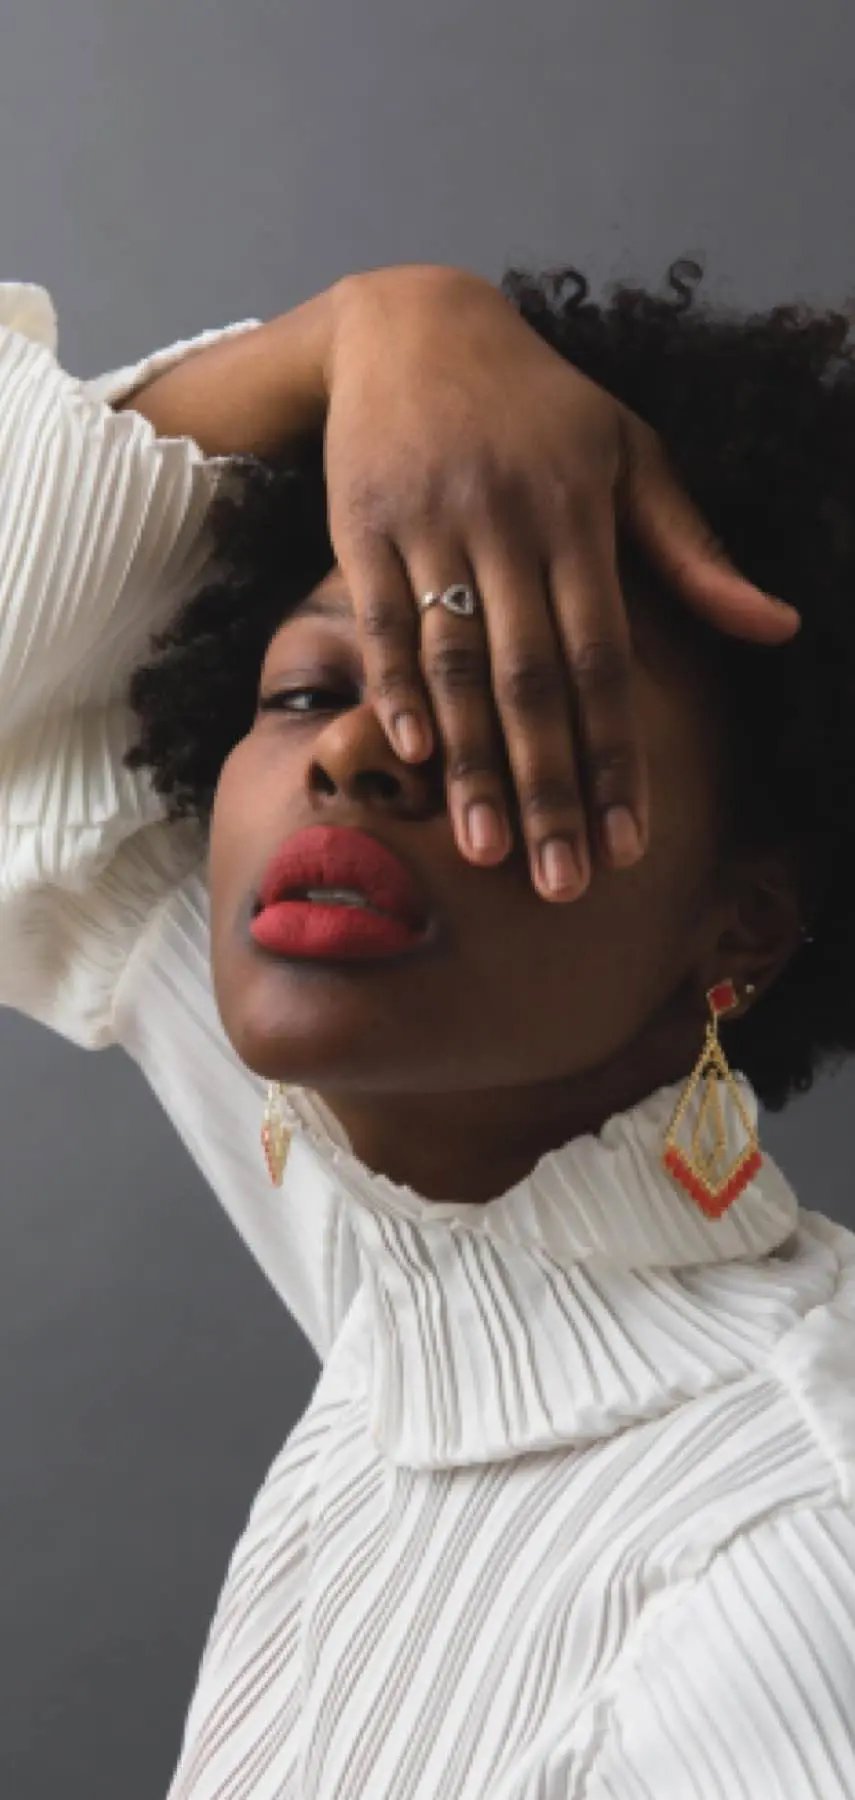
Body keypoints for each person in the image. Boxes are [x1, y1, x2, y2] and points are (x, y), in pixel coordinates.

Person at [0, 258, 851, 1796]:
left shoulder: (796, 1552)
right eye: (302, 689)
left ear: (743, 921)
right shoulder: (410, 1248)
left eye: (515, 709)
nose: (355, 753)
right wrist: (379, 334)